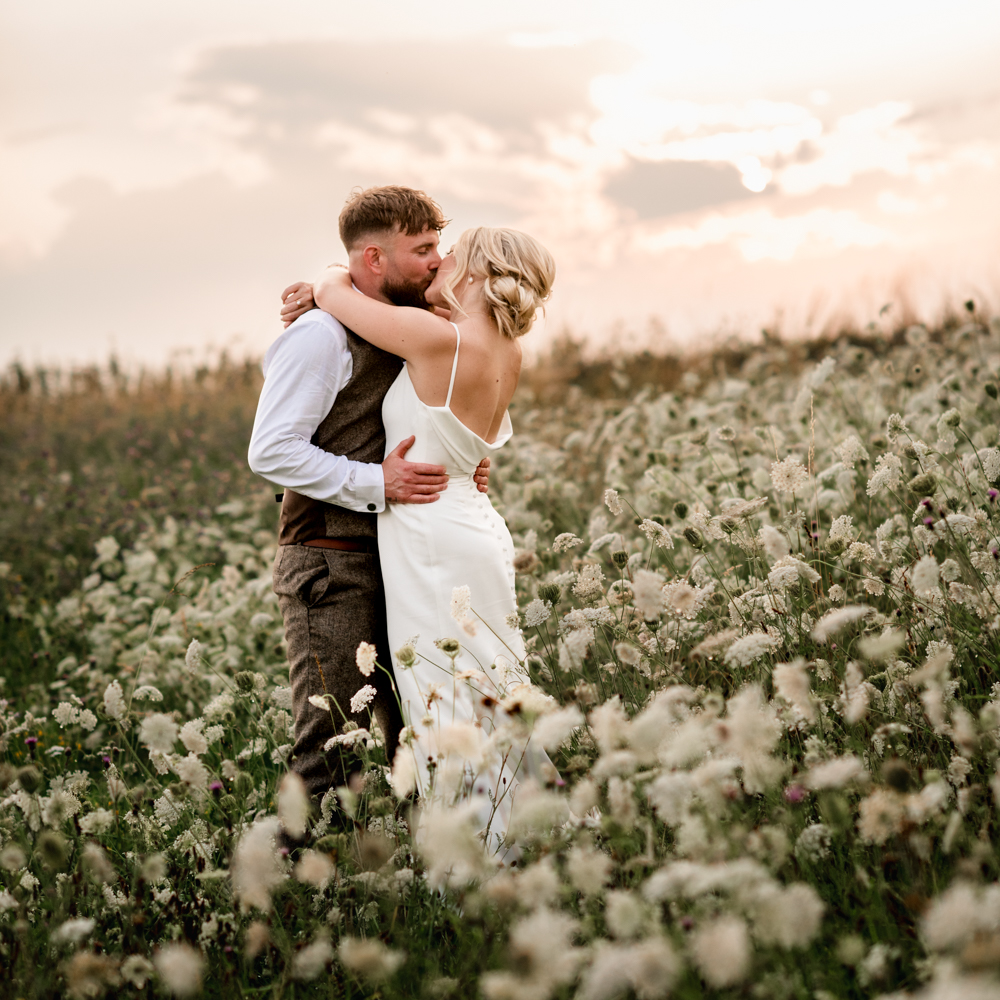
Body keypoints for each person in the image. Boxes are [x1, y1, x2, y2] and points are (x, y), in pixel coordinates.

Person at [311, 226, 556, 857]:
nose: (438, 262)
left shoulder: (437, 338)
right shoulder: (506, 348)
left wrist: (320, 285)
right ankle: (512, 843)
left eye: (450, 254)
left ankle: (469, 868)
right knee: (490, 693)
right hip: (471, 519)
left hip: (429, 532)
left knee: (443, 699)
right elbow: (465, 438)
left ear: (473, 270)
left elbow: (336, 293)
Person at [248, 186, 490, 808]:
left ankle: (416, 881)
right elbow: (271, 449)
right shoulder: (320, 336)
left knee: (414, 734)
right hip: (329, 564)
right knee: (332, 745)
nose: (438, 262)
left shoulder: (407, 325)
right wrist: (378, 483)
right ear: (375, 259)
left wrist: (461, 466)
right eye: (424, 249)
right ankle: (298, 890)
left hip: (397, 557)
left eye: (439, 246)